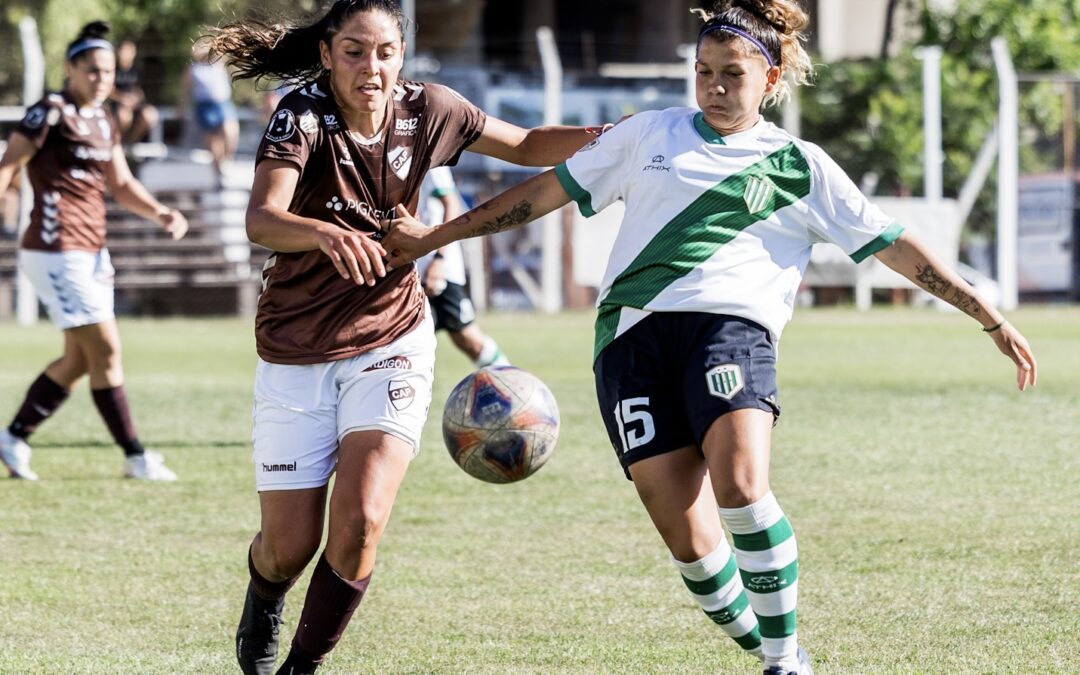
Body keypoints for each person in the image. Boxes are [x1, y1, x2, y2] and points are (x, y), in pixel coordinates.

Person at [382, 1, 1039, 673]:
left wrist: (983, 311)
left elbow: (893, 246)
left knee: (742, 483)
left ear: (771, 78)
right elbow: (542, 193)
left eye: (732, 74)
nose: (716, 87)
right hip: (628, 344)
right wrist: (437, 237)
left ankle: (782, 662)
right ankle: (778, 651)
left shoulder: (798, 165)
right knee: (690, 539)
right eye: (704, 72)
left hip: (730, 328)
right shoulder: (647, 135)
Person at [204, 1, 607, 672]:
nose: (373, 67)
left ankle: (301, 665)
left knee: (360, 520)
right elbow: (263, 218)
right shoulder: (302, 117)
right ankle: (265, 592)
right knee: (288, 545)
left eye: (386, 51)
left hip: (391, 338)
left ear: (402, 54)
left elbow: (530, 146)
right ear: (328, 54)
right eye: (356, 52)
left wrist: (614, 135)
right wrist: (326, 234)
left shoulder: (431, 111)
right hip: (295, 350)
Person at [0, 21, 189, 482]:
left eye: (107, 72)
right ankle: (135, 455)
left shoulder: (105, 119)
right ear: (71, 69)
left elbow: (121, 184)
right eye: (92, 70)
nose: (101, 79)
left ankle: (13, 437)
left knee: (80, 359)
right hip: (54, 249)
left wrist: (161, 212)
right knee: (106, 350)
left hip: (91, 252)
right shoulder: (50, 112)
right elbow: (7, 168)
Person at [416, 166, 509, 368]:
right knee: (408, 341)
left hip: (435, 268)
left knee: (466, 336)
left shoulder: (428, 155)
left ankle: (510, 383)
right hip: (410, 267)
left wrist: (439, 259)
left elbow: (452, 204)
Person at [183, 42, 238, 184]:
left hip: (222, 103)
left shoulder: (218, 63)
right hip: (205, 105)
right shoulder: (194, 69)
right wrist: (182, 106)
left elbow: (224, 51)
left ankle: (227, 161)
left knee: (230, 132)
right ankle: (218, 173)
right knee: (213, 141)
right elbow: (185, 88)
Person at [108, 38, 159, 144]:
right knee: (124, 116)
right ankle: (118, 142)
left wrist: (136, 98)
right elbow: (109, 90)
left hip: (134, 104)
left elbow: (139, 89)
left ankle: (132, 141)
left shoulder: (137, 69)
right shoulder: (113, 69)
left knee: (150, 114)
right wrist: (123, 99)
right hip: (119, 105)